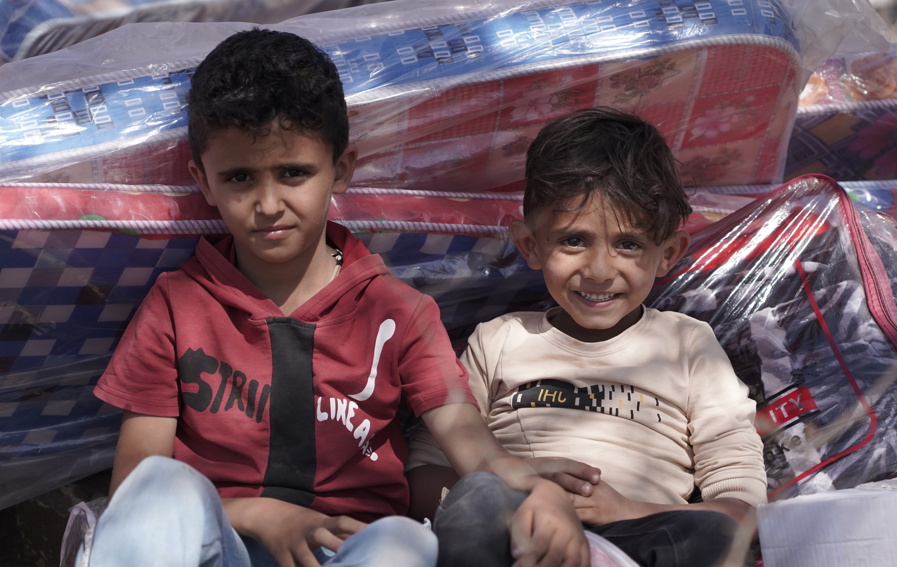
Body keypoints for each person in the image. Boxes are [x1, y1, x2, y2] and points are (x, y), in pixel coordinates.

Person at [79, 28, 589, 567]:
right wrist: (258, 515)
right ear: (202, 181)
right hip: (220, 544)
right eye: (240, 178)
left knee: (406, 542)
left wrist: (540, 491)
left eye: (293, 173)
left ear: (341, 169)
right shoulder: (177, 306)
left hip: (349, 549)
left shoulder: (399, 313)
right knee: (162, 484)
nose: (268, 203)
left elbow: (470, 442)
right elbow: (133, 488)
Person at [408, 107, 768, 567]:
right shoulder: (499, 339)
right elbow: (420, 475)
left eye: (629, 244)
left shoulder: (688, 345)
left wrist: (629, 511)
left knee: (713, 534)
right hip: (518, 534)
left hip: (637, 540)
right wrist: (519, 485)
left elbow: (742, 508)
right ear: (531, 245)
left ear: (669, 253)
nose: (599, 271)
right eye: (574, 241)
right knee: (478, 496)